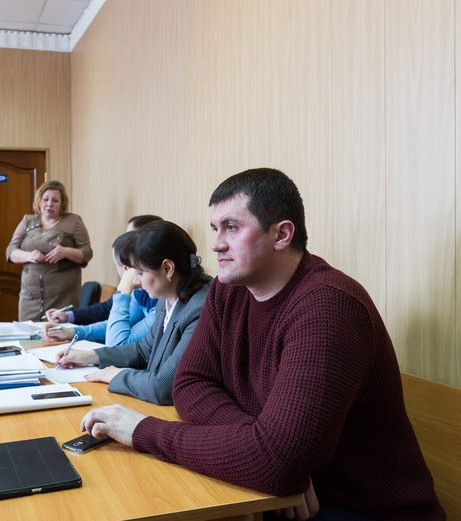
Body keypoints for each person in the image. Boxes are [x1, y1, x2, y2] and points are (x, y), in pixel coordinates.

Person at [79, 169, 445, 521]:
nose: (216, 243)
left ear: (282, 234)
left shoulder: (328, 307)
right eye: (215, 228)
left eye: (232, 228)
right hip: (289, 492)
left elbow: (275, 462)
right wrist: (259, 449)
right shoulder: (227, 290)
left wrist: (142, 430)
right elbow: (189, 385)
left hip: (359, 510)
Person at [55, 221, 212, 405]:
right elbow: (144, 349)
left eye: (139, 272)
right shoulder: (166, 297)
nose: (136, 281)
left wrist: (117, 374)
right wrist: (91, 356)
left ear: (168, 268)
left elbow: (162, 387)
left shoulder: (201, 308)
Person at [41, 231, 158, 345]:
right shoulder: (139, 292)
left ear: (127, 269)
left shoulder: (161, 301)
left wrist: (123, 290)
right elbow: (115, 326)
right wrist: (72, 332)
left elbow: (117, 344)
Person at [45, 214, 163, 325]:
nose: (126, 241)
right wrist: (69, 317)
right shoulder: (139, 290)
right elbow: (108, 308)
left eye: (131, 237)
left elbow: (122, 338)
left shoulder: (157, 295)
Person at [6, 181, 93, 321]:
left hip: (62, 297)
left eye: (55, 200)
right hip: (30, 298)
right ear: (39, 201)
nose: (49, 204)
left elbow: (87, 253)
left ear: (62, 203)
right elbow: (11, 251)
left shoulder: (73, 222)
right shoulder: (27, 221)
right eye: (45, 199)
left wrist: (66, 252)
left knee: (58, 338)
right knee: (28, 339)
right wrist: (28, 255)